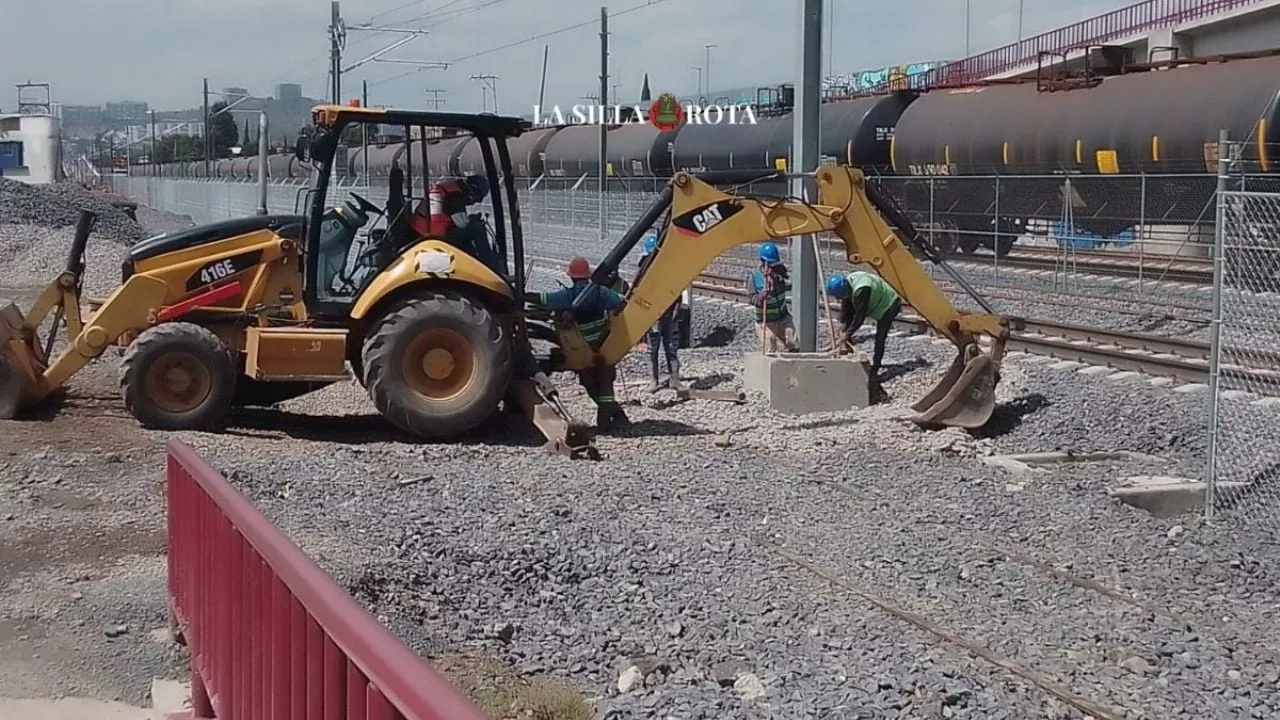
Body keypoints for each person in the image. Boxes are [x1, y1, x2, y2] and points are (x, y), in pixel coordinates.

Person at [524, 256, 630, 431]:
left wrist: (524, 295)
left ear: (571, 277)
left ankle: (611, 419)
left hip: (583, 348)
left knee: (590, 382)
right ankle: (612, 419)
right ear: (588, 275)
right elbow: (620, 301)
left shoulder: (569, 295)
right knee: (605, 384)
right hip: (604, 344)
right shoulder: (600, 292)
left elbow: (545, 299)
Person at [825, 270, 902, 378]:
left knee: (880, 337)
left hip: (889, 304)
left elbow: (859, 317)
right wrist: (841, 323)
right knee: (847, 323)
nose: (838, 299)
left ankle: (875, 368)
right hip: (877, 299)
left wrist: (846, 335)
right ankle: (847, 352)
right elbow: (846, 304)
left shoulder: (861, 291)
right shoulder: (849, 284)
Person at [637, 231, 681, 392]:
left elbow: (677, 290)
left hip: (669, 313)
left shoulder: (669, 270)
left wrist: (676, 309)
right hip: (653, 316)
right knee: (652, 349)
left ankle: (674, 379)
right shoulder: (643, 270)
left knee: (671, 347)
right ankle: (653, 380)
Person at [745, 242, 797, 353]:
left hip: (783, 317)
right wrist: (762, 296)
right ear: (763, 262)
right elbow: (751, 299)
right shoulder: (754, 278)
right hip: (765, 321)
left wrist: (776, 280)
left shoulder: (780, 272)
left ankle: (792, 360)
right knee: (771, 344)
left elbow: (787, 284)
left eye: (774, 264)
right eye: (770, 264)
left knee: (792, 340)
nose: (772, 267)